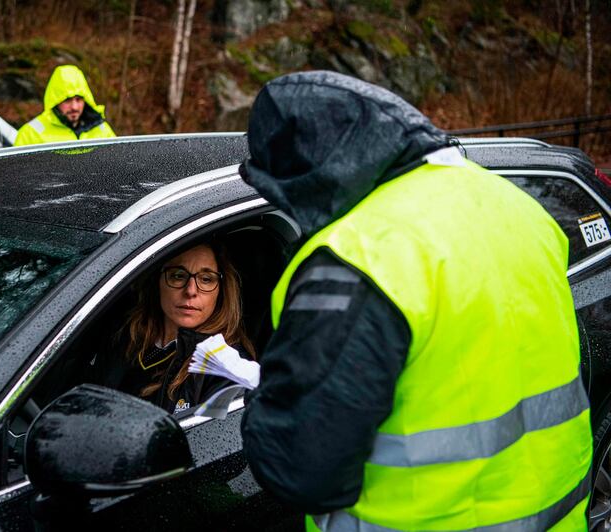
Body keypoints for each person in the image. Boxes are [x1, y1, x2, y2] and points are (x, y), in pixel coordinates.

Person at [238, 71, 593, 531]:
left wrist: (260, 404)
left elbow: (303, 468)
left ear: (307, 173)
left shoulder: (360, 256)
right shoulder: (512, 204)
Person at [117, 242, 255, 416]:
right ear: (158, 282)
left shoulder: (229, 368)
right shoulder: (124, 336)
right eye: (178, 276)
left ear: (221, 291)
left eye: (206, 279)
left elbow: (207, 440)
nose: (190, 290)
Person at [14, 64, 115, 146]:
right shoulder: (31, 134)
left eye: (79, 99)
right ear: (55, 101)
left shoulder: (102, 129)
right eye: (67, 100)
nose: (74, 107)